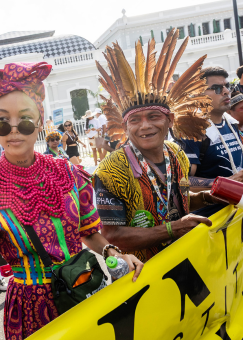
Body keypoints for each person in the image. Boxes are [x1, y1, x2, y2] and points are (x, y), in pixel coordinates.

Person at [0, 61, 143, 340]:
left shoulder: (68, 173)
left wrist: (115, 254)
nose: (14, 129)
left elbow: (89, 233)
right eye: (2, 121)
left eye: (24, 120)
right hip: (31, 311)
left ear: (38, 122)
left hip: (83, 289)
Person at [94, 29, 220, 264]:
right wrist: (171, 230)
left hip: (188, 258)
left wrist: (209, 197)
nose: (145, 126)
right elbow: (112, 235)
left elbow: (178, 199)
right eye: (135, 120)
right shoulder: (111, 171)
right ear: (126, 125)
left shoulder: (177, 154)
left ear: (170, 120)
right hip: (145, 276)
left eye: (154, 116)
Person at [179, 67, 243, 192]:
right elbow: (183, 181)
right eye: (217, 88)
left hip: (242, 206)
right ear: (198, 95)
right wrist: (223, 183)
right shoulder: (192, 131)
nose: (226, 91)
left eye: (227, 86)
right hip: (214, 210)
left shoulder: (231, 123)